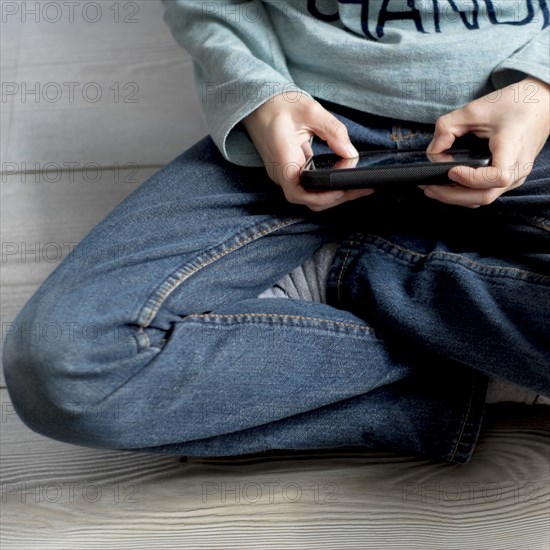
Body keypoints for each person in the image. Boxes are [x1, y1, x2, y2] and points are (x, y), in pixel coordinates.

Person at [3, 1, 549, 464]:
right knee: (67, 375)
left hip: (525, 119)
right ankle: (490, 353)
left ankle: (358, 273)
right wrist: (258, 95)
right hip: (309, 124)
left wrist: (539, 90)